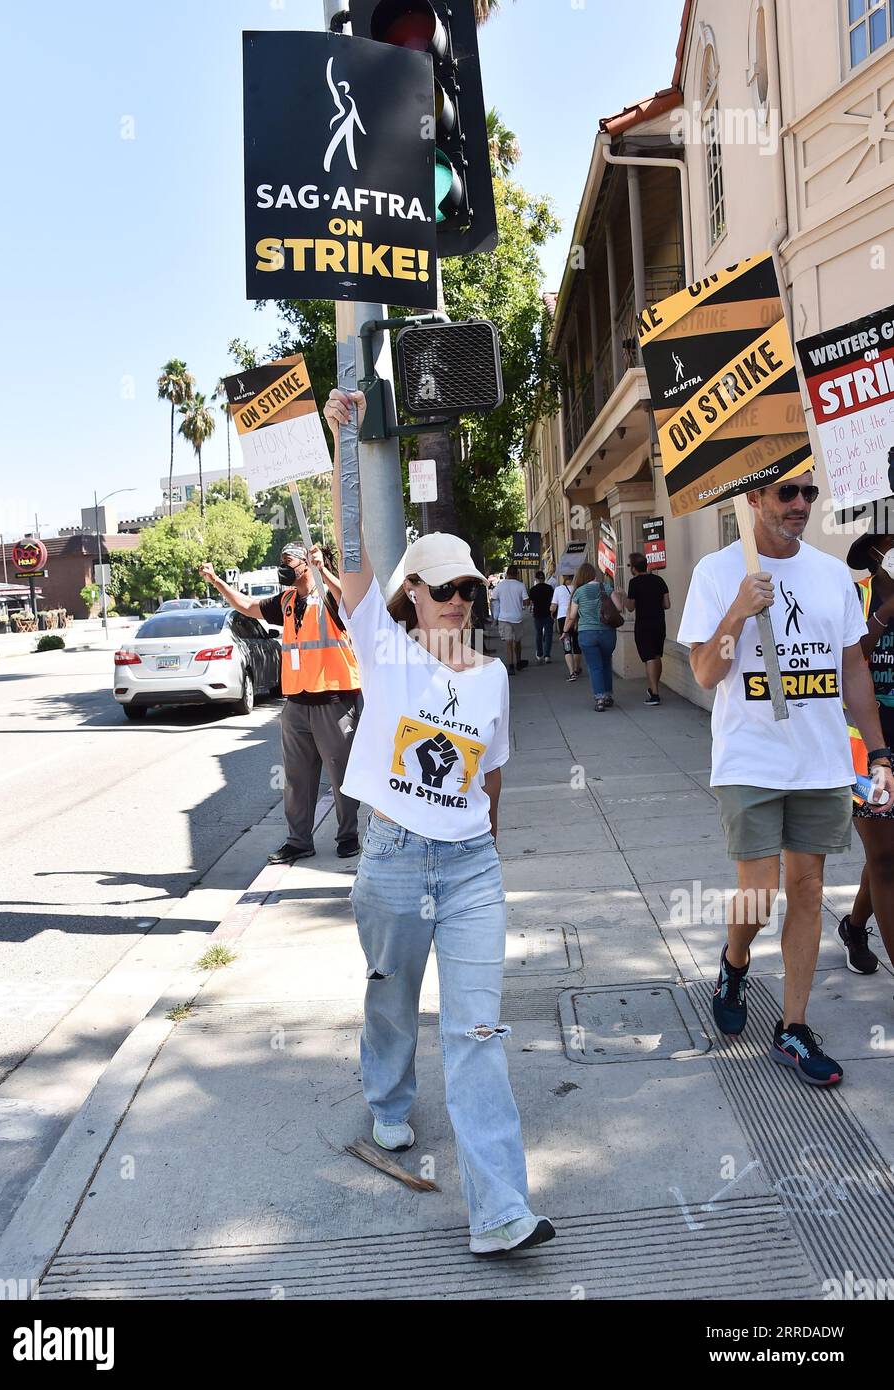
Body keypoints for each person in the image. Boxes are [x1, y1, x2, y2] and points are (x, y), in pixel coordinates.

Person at [324, 385, 555, 1259]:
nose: (459, 599)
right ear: (411, 593)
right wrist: (344, 445)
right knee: (390, 1002)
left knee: (478, 1034)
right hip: (389, 861)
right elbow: (350, 555)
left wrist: (483, 848)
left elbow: (490, 779)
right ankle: (387, 1102)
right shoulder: (381, 652)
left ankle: (499, 1213)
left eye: (470, 587)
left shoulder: (491, 678)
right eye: (444, 587)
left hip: (467, 871)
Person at [677, 473, 894, 1086]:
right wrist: (739, 613)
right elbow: (702, 673)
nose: (800, 504)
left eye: (808, 494)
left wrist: (878, 753)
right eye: (785, 493)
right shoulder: (718, 573)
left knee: (807, 885)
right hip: (750, 760)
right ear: (753, 498)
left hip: (821, 762)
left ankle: (793, 1027)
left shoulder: (832, 576)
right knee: (759, 890)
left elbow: (853, 670)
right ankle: (736, 957)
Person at [199, 544, 363, 864]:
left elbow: (351, 602)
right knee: (296, 779)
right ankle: (299, 841)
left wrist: (324, 571)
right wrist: (218, 582)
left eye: (288, 561)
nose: (282, 567)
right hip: (296, 704)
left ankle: (348, 837)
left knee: (343, 776)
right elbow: (247, 606)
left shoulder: (329, 596)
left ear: (307, 564)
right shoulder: (286, 601)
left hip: (335, 701)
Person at [839, 529, 894, 981]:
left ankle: (855, 926)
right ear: (877, 554)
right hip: (868, 746)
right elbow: (851, 662)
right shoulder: (854, 597)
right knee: (886, 858)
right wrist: (889, 609)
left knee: (887, 858)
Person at [563, 561, 623, 711]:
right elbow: (619, 608)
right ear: (594, 575)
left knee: (595, 667)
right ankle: (608, 695)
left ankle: (600, 698)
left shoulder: (579, 592)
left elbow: (572, 616)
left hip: (587, 633)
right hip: (607, 633)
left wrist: (565, 631)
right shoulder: (606, 587)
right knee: (606, 663)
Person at [625, 552, 671, 705]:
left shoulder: (634, 583)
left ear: (634, 568)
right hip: (659, 622)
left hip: (643, 624)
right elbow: (667, 604)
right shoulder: (659, 580)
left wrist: (622, 596)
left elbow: (630, 608)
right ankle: (653, 688)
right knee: (656, 656)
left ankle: (655, 694)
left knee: (649, 657)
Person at [491, 566, 530, 674]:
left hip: (504, 618)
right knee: (517, 641)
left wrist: (495, 616)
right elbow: (526, 601)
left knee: (508, 643)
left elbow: (493, 599)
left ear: (507, 574)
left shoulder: (500, 586)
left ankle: (510, 666)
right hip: (517, 618)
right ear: (517, 574)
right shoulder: (520, 585)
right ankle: (518, 662)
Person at [550, 571, 581, 681]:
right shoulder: (578, 588)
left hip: (563, 618)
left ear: (563, 576)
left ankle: (572, 673)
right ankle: (577, 669)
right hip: (576, 617)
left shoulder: (558, 590)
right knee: (577, 644)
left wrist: (551, 611)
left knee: (567, 646)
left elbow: (553, 607)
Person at [528, 570, 555, 664]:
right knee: (548, 635)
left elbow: (531, 602)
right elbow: (553, 599)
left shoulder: (533, 589)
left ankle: (539, 654)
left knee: (538, 635)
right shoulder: (549, 588)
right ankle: (547, 655)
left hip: (537, 614)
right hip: (548, 613)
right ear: (544, 578)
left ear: (536, 579)